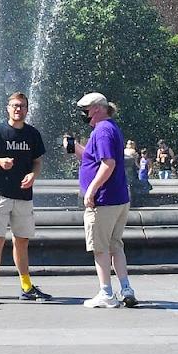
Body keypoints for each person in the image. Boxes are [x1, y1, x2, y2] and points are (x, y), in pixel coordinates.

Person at [0, 91, 51, 305]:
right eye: (14, 105)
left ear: (27, 109)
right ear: (7, 108)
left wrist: (33, 175)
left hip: (23, 195)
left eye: (22, 106)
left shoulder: (32, 134)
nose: (18, 109)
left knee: (22, 241)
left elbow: (37, 162)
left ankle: (26, 286)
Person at [77, 93, 136, 309]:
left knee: (100, 248)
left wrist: (91, 190)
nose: (85, 115)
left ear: (97, 109)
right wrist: (76, 148)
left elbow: (108, 163)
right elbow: (94, 160)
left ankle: (106, 293)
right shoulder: (111, 128)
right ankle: (126, 288)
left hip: (104, 200)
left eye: (86, 111)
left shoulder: (101, 131)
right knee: (115, 245)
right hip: (119, 198)